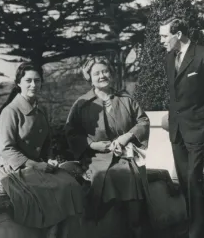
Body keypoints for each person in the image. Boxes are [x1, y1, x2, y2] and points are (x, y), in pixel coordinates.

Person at [65, 56, 152, 238]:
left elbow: (143, 121)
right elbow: (71, 133)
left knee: (133, 178)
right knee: (103, 178)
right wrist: (93, 145)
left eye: (105, 71)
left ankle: (136, 229)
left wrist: (126, 137)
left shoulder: (126, 99)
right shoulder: (81, 104)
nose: (102, 76)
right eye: (96, 73)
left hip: (124, 155)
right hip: (96, 158)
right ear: (89, 77)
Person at [0, 62, 83, 238]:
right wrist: (35, 165)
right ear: (19, 83)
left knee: (70, 183)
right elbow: (6, 149)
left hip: (37, 166)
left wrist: (48, 159)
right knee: (50, 191)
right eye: (28, 80)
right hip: (15, 168)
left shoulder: (40, 110)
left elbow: (47, 143)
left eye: (37, 81)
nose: (33, 85)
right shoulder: (10, 112)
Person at [160, 18, 204, 238]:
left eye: (164, 36)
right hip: (177, 129)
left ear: (177, 34)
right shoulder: (169, 58)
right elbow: (173, 94)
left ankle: (197, 232)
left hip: (198, 126)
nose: (161, 41)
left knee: (193, 178)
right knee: (185, 180)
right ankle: (197, 225)